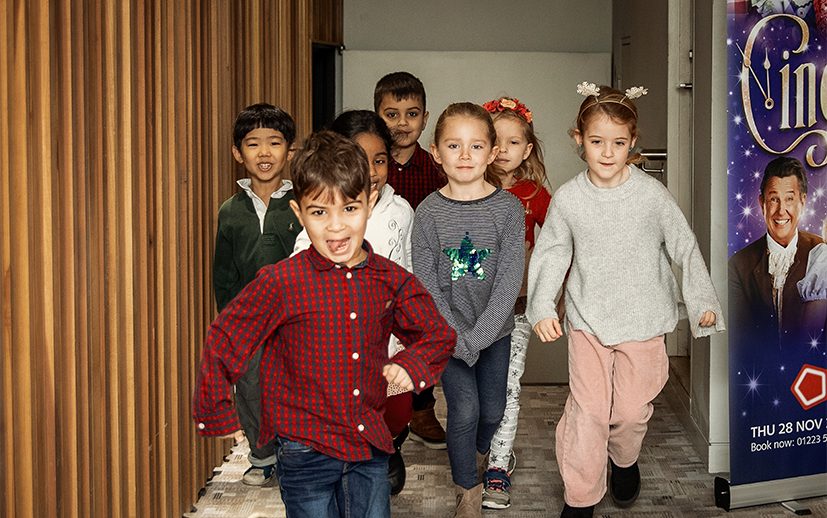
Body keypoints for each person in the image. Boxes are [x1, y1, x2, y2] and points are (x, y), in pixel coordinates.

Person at [194, 130, 456, 518]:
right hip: (304, 447)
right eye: (319, 212)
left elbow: (436, 333)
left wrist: (409, 365)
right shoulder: (280, 282)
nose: (336, 227)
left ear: (370, 203)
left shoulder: (390, 279)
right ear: (299, 214)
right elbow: (225, 338)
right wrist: (218, 409)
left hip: (368, 442)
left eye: (349, 208)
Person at [527, 83, 725, 518]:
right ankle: (580, 497)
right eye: (596, 142)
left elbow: (684, 246)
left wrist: (701, 300)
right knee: (590, 412)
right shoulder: (570, 199)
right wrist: (542, 306)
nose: (607, 152)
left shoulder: (652, 196)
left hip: (643, 319)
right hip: (588, 320)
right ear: (579, 139)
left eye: (618, 143)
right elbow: (552, 253)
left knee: (631, 413)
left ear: (633, 142)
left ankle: (624, 459)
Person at [412, 102, 525, 518]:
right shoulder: (427, 212)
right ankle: (468, 492)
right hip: (445, 334)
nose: (464, 155)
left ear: (492, 152)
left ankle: (475, 456)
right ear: (436, 151)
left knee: (493, 411)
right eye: (453, 145)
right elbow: (425, 283)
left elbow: (509, 281)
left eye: (475, 146)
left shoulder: (508, 209)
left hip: (493, 334)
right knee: (464, 409)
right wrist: (456, 338)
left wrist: (477, 338)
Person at [292, 110, 415, 494]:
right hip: (336, 342)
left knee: (396, 411)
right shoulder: (320, 223)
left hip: (387, 339)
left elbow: (407, 268)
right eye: (362, 161)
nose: (373, 170)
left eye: (380, 160)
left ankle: (389, 444)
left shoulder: (401, 212)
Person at [212, 102, 302, 486]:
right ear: (237, 152)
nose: (264, 153)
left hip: (297, 320)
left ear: (290, 150)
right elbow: (224, 273)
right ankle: (262, 454)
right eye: (253, 144)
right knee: (249, 388)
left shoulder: (303, 202)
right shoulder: (230, 211)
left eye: (275, 142)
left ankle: (298, 451)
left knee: (299, 386)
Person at [478, 96, 551, 510]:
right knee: (475, 392)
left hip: (518, 309)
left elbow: (559, 246)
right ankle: (480, 449)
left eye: (513, 142)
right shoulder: (468, 189)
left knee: (507, 389)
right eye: (496, 141)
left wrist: (550, 298)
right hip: (470, 312)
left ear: (527, 149)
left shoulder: (535, 195)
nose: (503, 150)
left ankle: (498, 466)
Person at [374, 71, 448, 448]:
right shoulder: (369, 167)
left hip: (424, 274)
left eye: (412, 114)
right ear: (377, 116)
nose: (402, 123)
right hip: (379, 276)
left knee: (419, 339)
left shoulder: (436, 169)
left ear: (425, 117)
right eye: (391, 114)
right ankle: (382, 420)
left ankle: (421, 409)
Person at [729, 156, 827, 350]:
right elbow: (743, 341)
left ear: (802, 202)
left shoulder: (820, 254)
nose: (781, 210)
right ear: (762, 203)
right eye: (774, 199)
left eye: (789, 199)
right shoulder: (738, 265)